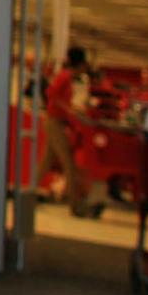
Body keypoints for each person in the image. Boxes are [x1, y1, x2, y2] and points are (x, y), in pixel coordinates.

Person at [34, 46, 93, 212]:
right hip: (55, 123)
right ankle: (75, 204)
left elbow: (56, 97)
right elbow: (51, 94)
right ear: (80, 64)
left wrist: (72, 108)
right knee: (68, 162)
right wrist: (68, 109)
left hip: (55, 122)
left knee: (46, 162)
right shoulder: (65, 77)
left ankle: (27, 194)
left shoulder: (67, 77)